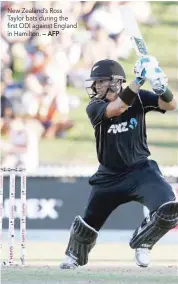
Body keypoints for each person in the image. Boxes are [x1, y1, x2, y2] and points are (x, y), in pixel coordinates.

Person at [60, 57, 178, 269]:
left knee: (169, 208)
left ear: (116, 82)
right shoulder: (94, 106)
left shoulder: (140, 98)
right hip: (109, 177)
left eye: (101, 81)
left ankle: (144, 241)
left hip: (141, 173)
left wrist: (162, 87)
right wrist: (140, 79)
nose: (96, 86)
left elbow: (170, 105)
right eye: (96, 82)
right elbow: (117, 108)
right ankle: (74, 255)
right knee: (88, 224)